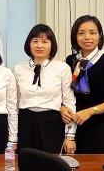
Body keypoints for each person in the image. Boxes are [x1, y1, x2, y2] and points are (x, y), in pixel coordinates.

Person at [61, 15, 104, 154]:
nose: (87, 37)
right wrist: (62, 108)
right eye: (81, 33)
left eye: (92, 32)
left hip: (101, 129)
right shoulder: (70, 60)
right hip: (72, 128)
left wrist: (91, 111)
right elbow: (65, 94)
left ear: (100, 35)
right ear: (75, 36)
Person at [13, 24, 76, 154]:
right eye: (35, 41)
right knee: (26, 163)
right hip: (25, 123)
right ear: (29, 44)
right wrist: (13, 137)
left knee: (52, 163)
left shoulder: (62, 68)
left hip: (52, 123)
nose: (39, 45)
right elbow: (14, 104)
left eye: (45, 41)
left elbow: (69, 102)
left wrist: (70, 136)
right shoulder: (18, 69)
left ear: (52, 45)